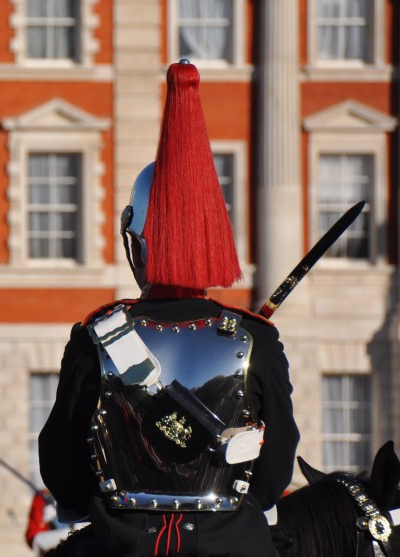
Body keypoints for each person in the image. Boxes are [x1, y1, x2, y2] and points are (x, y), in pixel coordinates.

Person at [38, 60, 300, 557]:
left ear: (136, 244)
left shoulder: (97, 336)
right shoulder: (253, 338)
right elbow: (274, 468)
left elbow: (62, 465)